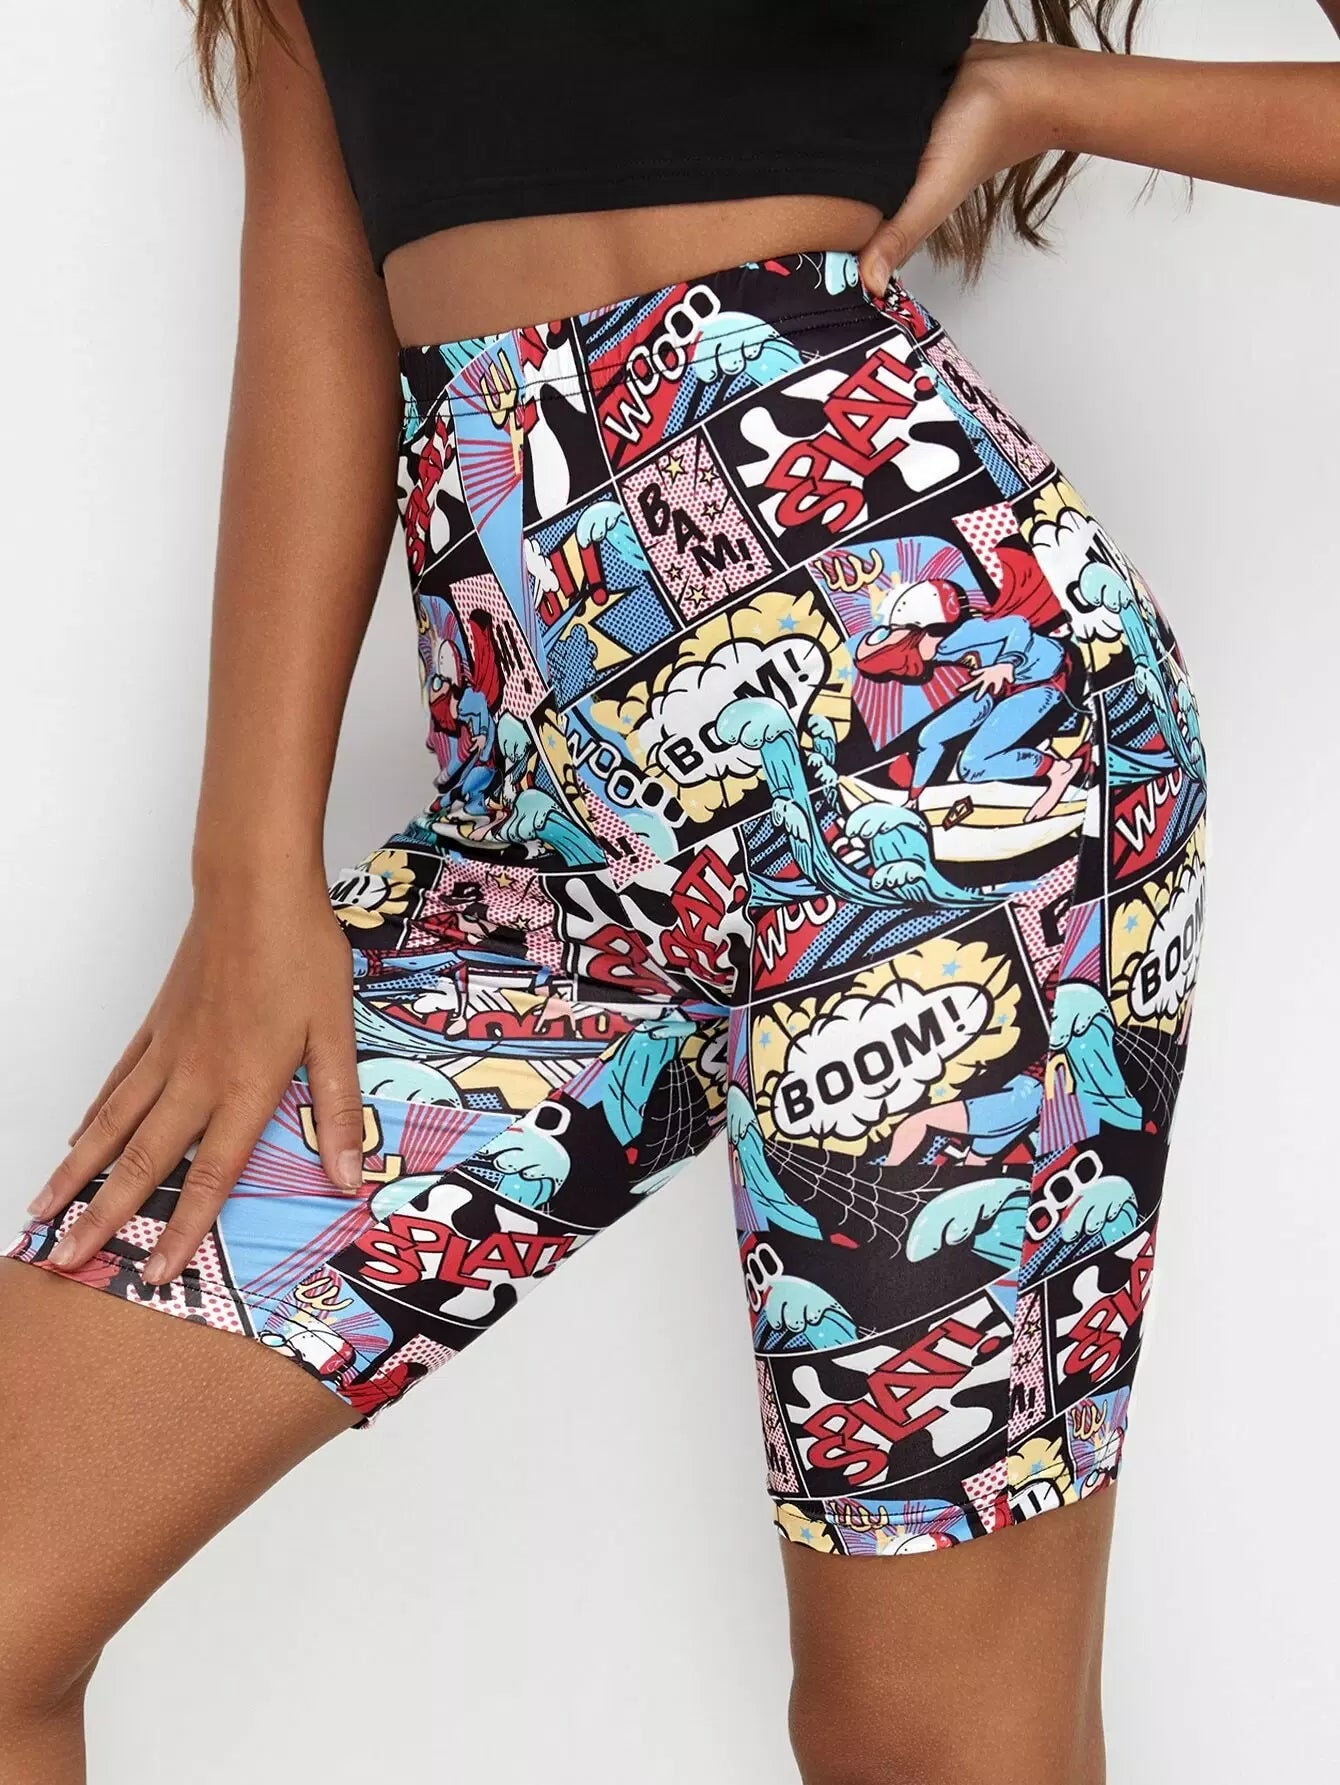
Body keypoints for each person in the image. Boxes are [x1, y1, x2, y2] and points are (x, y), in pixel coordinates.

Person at [1, 4, 1335, 1780]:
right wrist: (248, 872)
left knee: (927, 1737)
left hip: (940, 733)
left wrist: (1044, 92)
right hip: (529, 817)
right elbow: (316, 266)